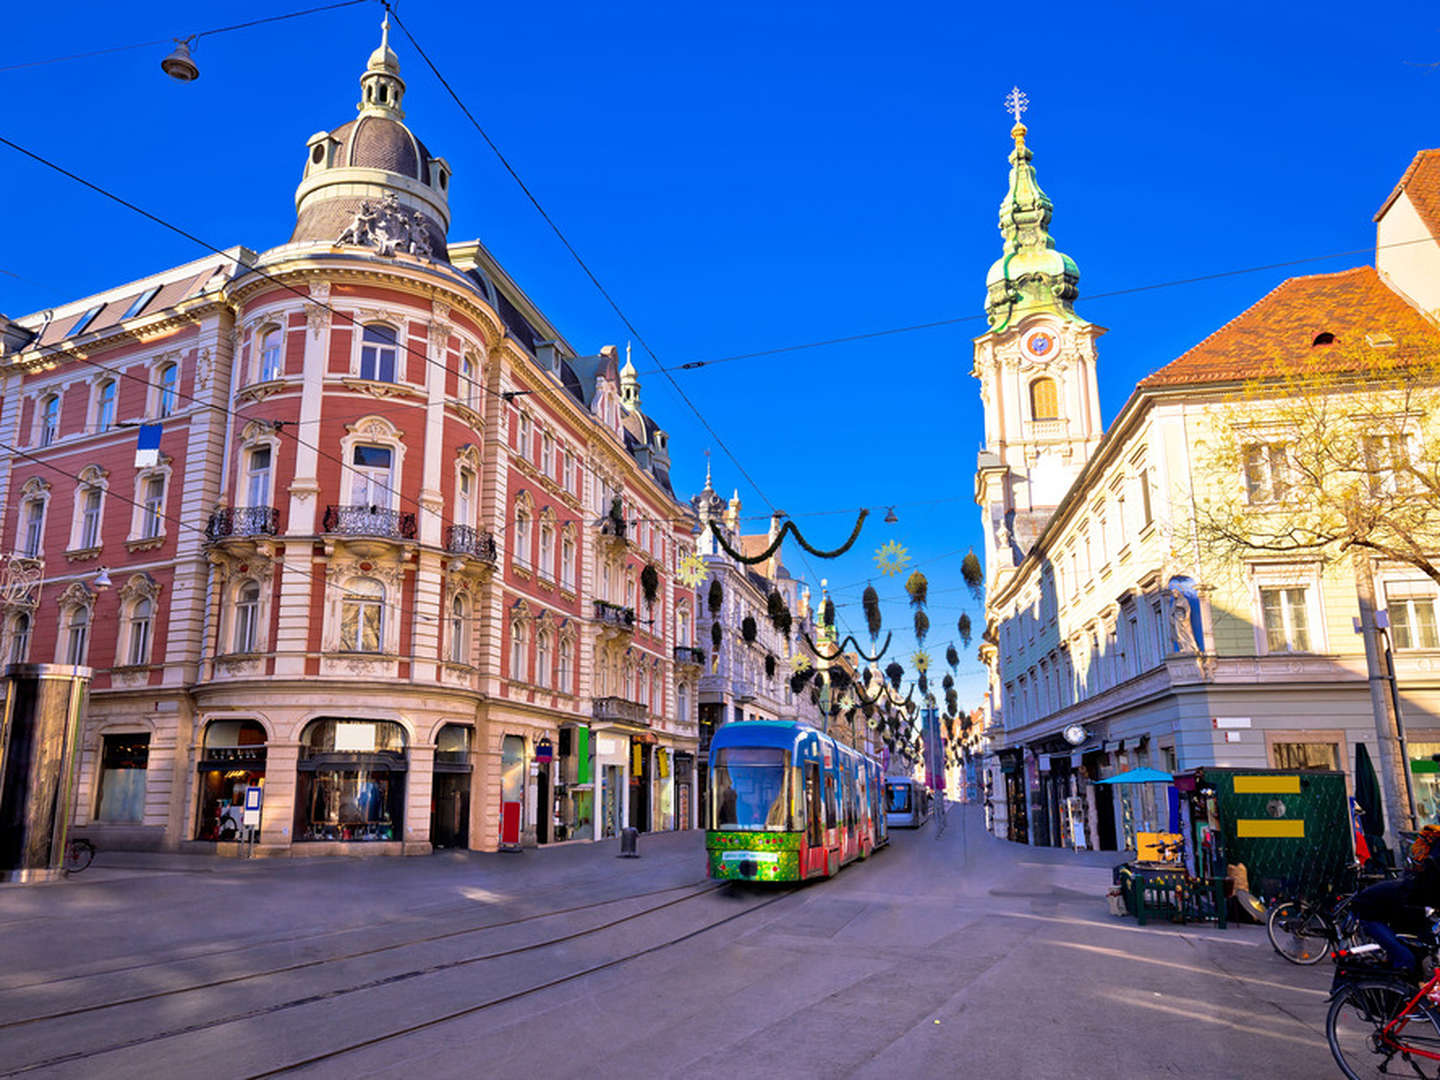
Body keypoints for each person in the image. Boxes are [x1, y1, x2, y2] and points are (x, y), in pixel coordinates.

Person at [1352, 839, 1440, 977]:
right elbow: (1410, 922)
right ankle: (1394, 990)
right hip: (1369, 913)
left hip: (1388, 912)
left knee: (1409, 953)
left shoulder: (1421, 893)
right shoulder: (1416, 897)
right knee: (1405, 958)